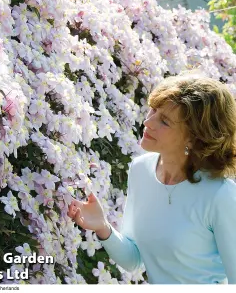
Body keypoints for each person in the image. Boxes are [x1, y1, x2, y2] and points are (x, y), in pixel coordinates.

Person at [67, 70, 236, 284]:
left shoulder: (220, 195)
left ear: (194, 138)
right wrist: (103, 227)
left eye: (164, 121)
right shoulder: (140, 170)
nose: (149, 122)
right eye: (153, 110)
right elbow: (133, 259)